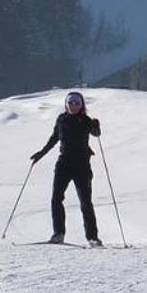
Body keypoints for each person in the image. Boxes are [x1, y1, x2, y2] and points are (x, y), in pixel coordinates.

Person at [30, 90, 102, 246]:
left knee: (85, 202)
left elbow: (96, 134)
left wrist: (96, 126)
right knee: (56, 198)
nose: (73, 106)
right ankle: (58, 234)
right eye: (71, 102)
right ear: (66, 104)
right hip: (64, 163)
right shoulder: (61, 119)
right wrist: (40, 154)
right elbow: (54, 138)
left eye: (77, 103)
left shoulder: (86, 120)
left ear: (82, 105)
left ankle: (92, 237)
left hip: (82, 165)